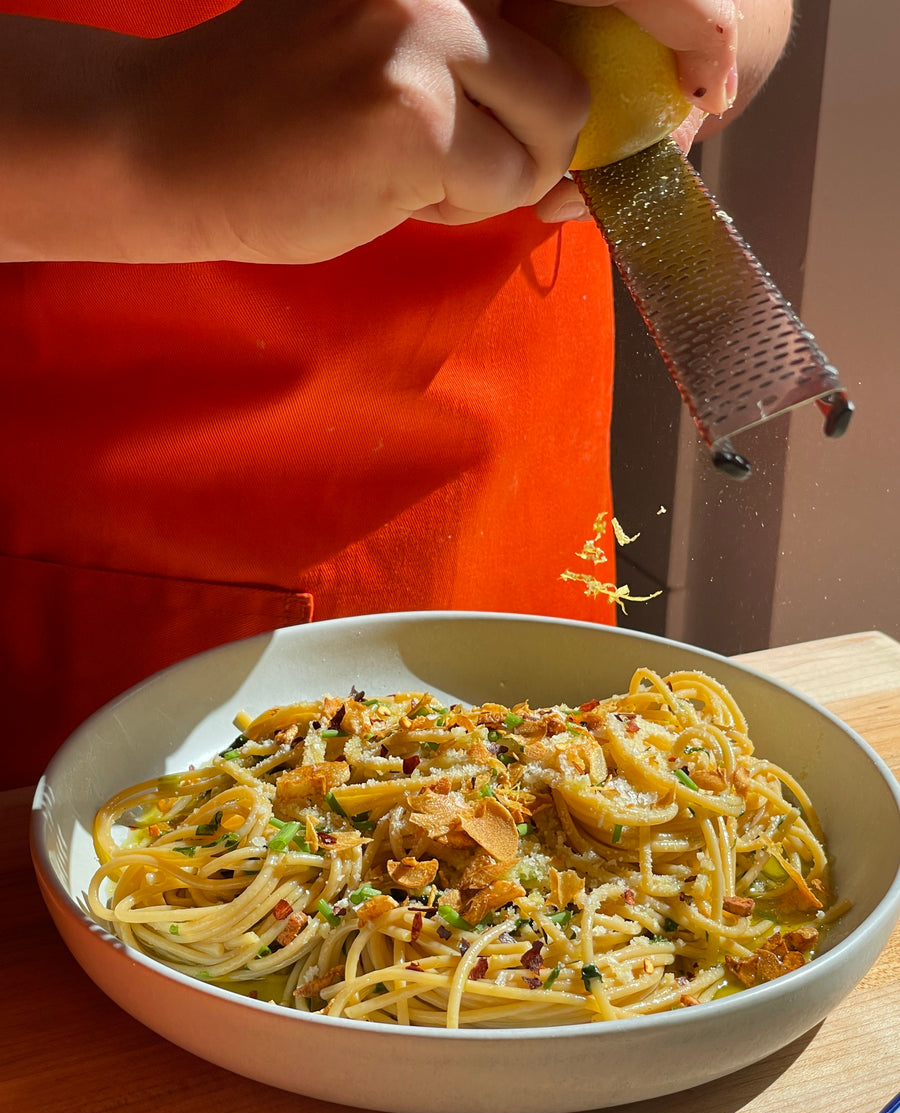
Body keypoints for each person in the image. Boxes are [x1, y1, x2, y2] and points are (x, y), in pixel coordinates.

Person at [0, 0, 793, 784]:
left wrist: (700, 40)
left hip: (515, 525)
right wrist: (136, 126)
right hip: (97, 563)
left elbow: (751, 23)